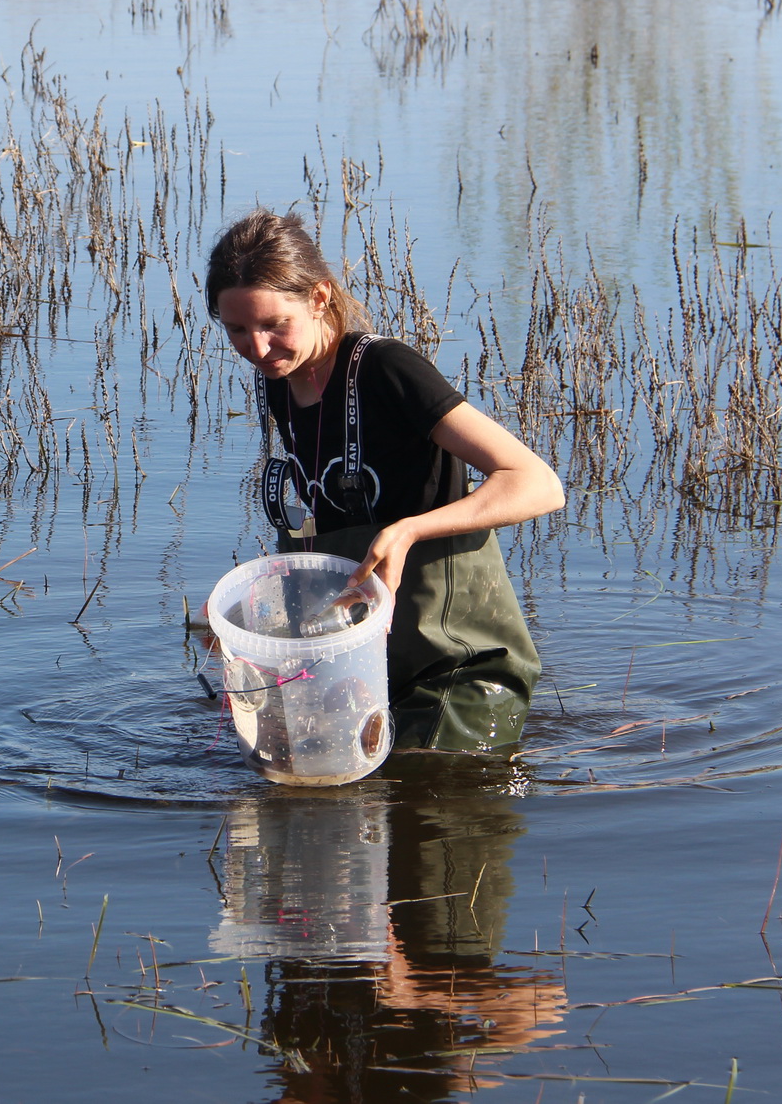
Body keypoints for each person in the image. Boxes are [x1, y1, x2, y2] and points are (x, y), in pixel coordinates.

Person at [206, 209, 564, 752]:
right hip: (369, 663)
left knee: (427, 793)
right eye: (237, 329)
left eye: (274, 325)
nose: (257, 349)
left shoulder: (388, 370)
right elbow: (330, 527)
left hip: (460, 669)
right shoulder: (283, 380)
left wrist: (408, 531)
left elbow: (537, 482)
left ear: (320, 296)